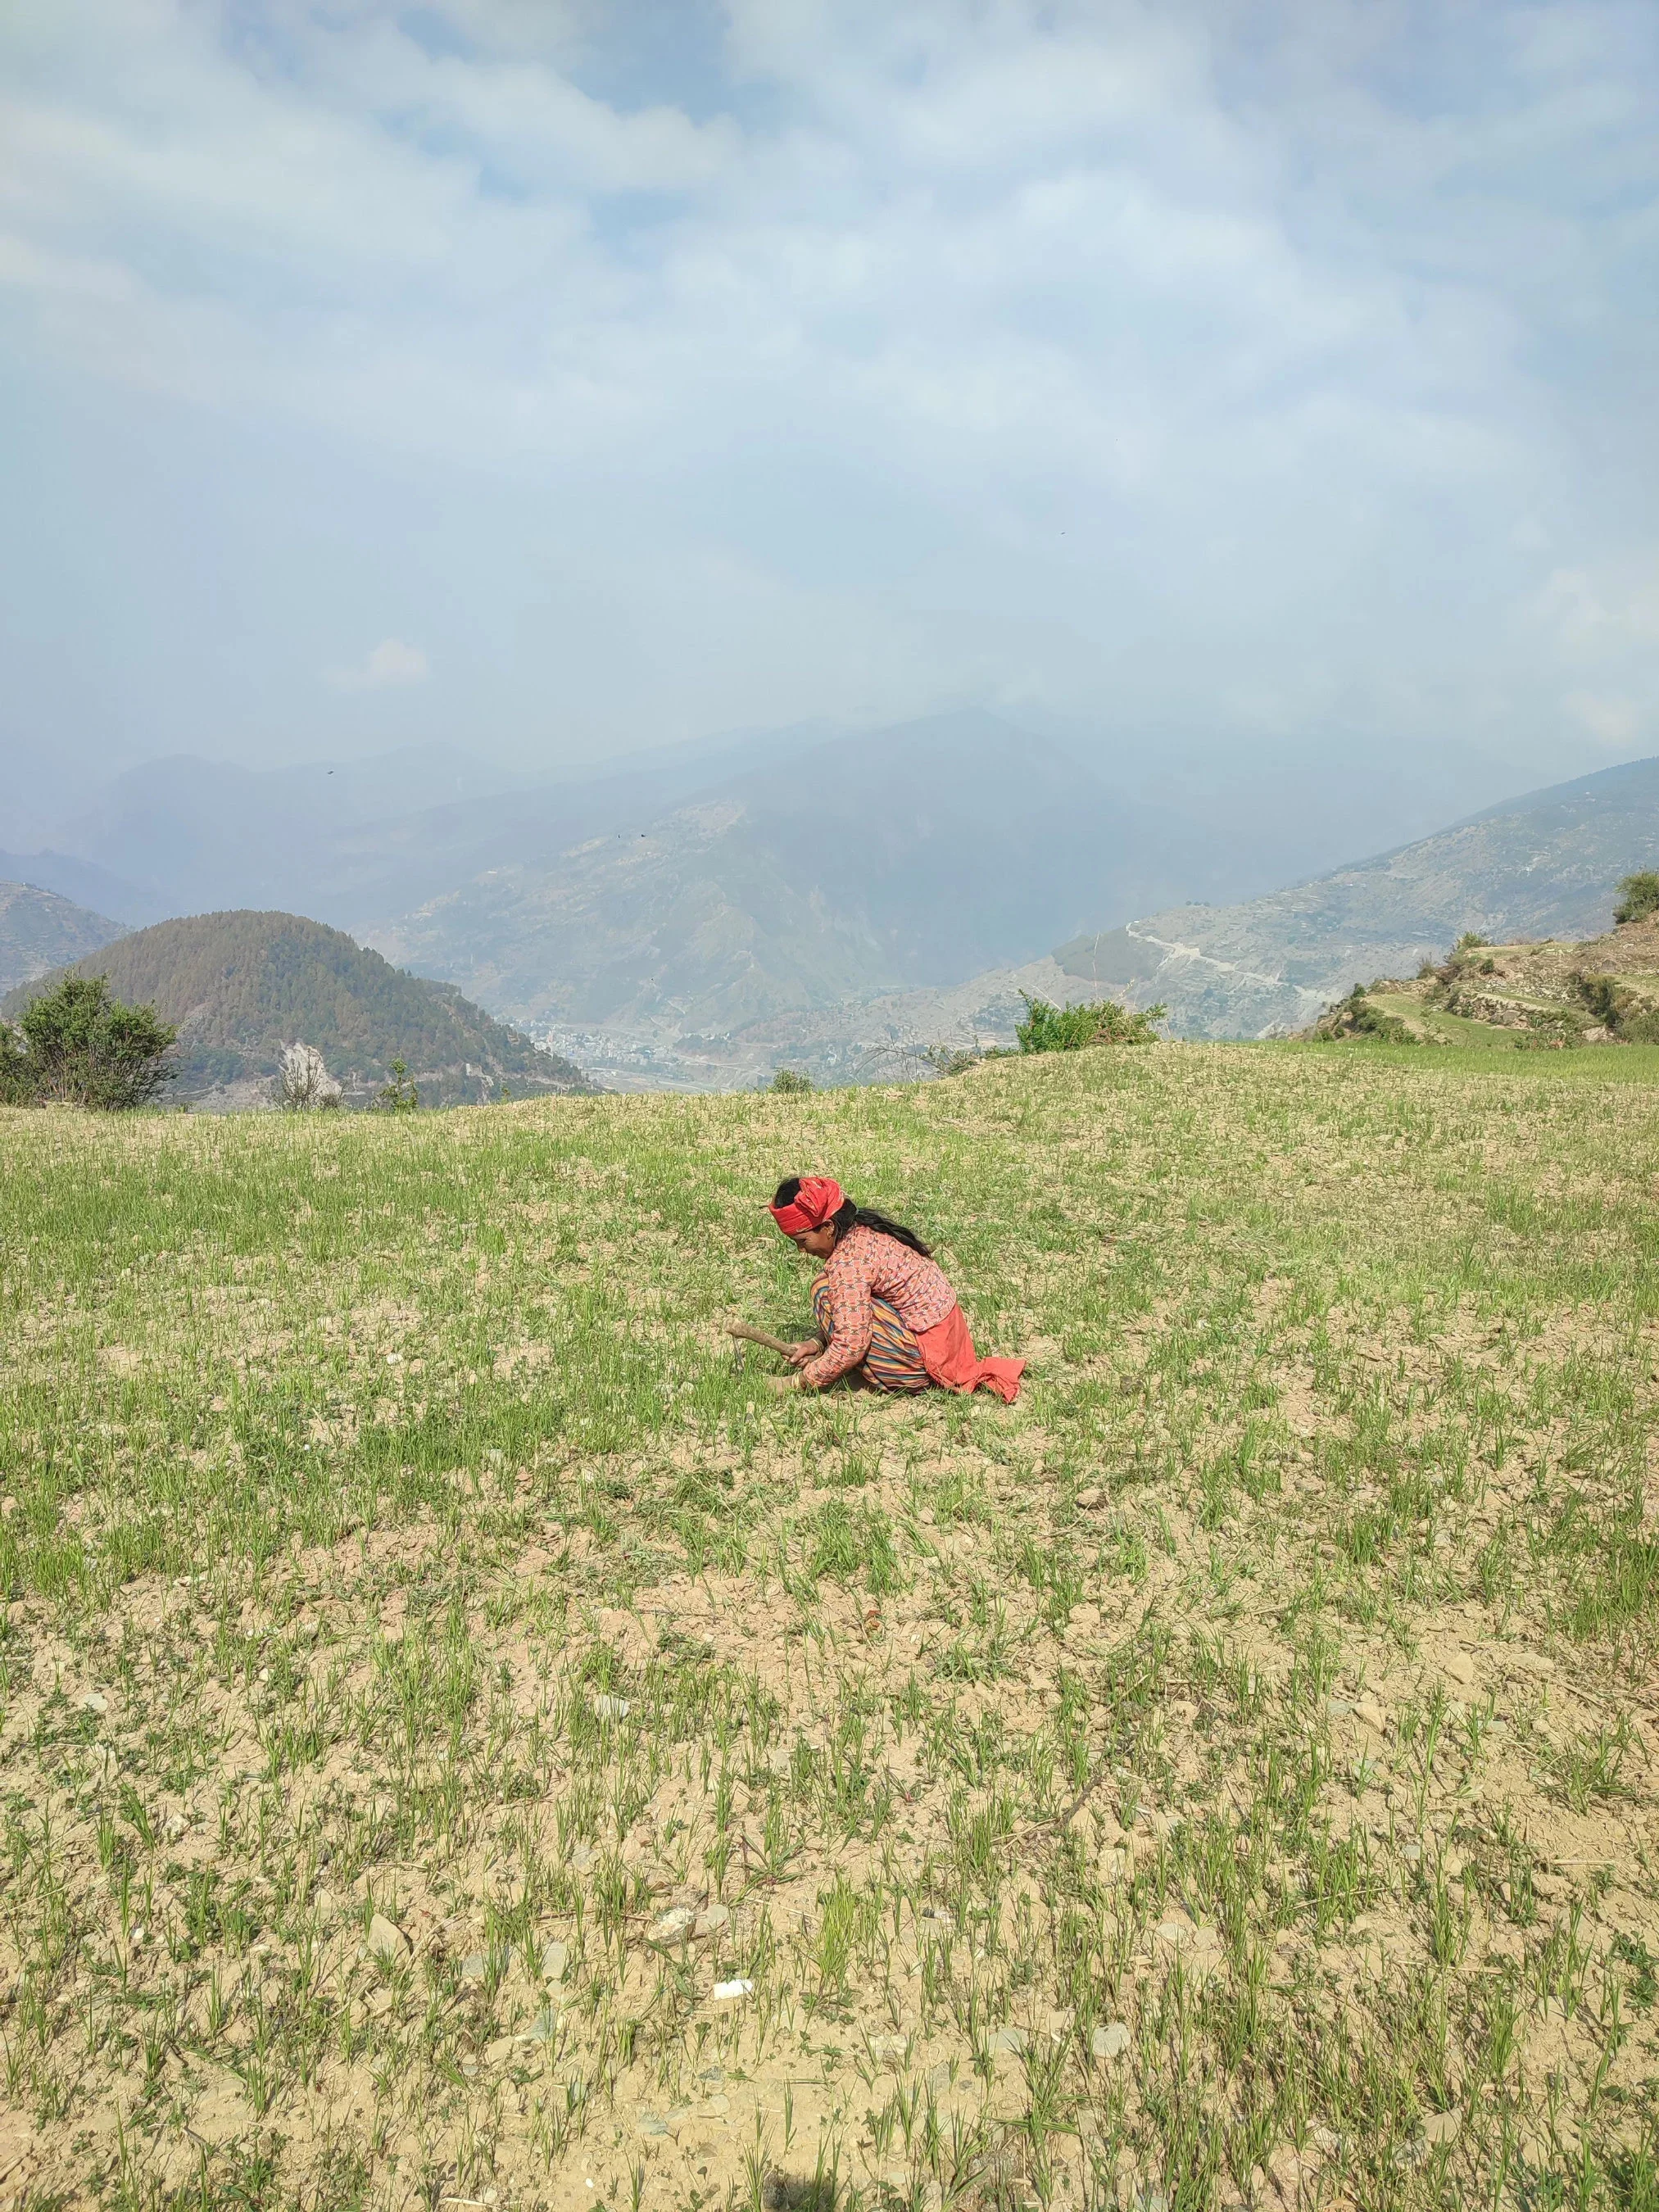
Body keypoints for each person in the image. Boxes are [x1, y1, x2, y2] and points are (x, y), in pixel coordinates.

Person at [768, 1174, 1025, 1401]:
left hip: (928, 1363)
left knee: (824, 1292)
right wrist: (817, 1343)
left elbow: (851, 1345)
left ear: (828, 1227)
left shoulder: (849, 1263)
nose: (801, 1250)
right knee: (831, 1290)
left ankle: (893, 1373)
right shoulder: (862, 1231)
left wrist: (799, 1381)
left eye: (802, 1241)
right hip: (948, 1344)